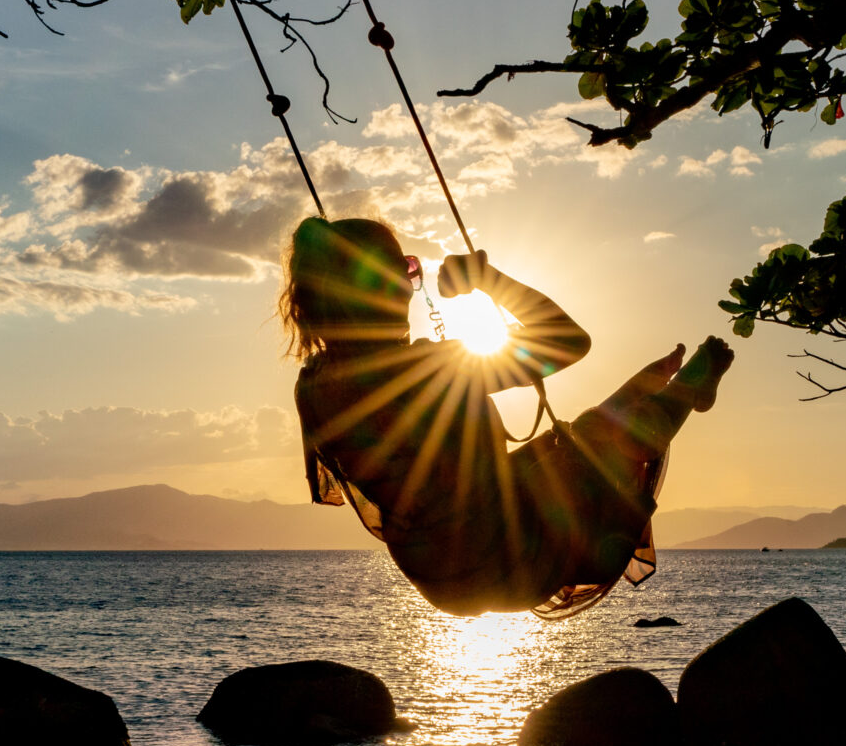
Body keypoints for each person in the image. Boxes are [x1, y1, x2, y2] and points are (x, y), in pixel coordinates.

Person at [283, 215, 731, 618]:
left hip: (436, 576)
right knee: (599, 450)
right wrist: (487, 279)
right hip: (503, 561)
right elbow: (569, 340)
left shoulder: (312, 386)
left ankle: (662, 390)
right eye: (407, 271)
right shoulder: (426, 369)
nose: (412, 283)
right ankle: (686, 387)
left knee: (576, 443)